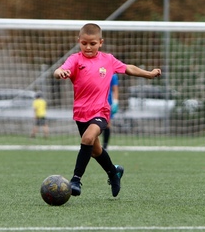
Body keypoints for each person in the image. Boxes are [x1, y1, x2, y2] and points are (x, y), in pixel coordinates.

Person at [53, 23, 161, 197]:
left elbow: (128, 68)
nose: (88, 47)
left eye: (93, 43)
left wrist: (148, 74)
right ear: (78, 41)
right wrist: (60, 73)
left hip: (101, 111)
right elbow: (60, 70)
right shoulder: (75, 59)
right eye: (84, 43)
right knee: (95, 150)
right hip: (81, 113)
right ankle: (114, 172)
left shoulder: (108, 60)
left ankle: (75, 179)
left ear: (100, 42)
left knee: (88, 138)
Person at [102, 73, 119, 149]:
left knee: (107, 124)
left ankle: (105, 146)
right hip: (95, 102)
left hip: (107, 103)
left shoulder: (112, 75)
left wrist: (115, 102)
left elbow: (115, 89)